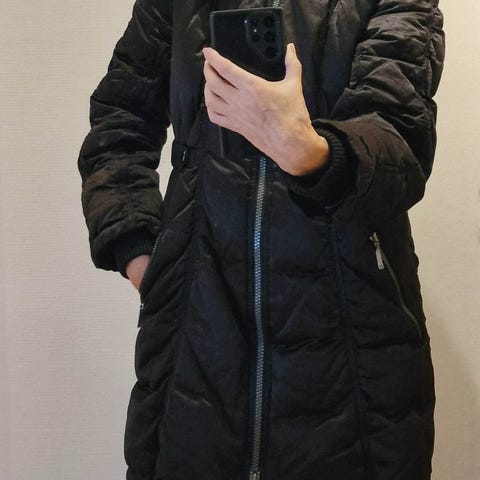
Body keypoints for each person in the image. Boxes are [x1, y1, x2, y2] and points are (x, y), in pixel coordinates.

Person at [77, 0, 446, 479]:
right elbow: (120, 118)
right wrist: (139, 254)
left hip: (356, 351)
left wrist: (310, 152)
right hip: (193, 348)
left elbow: (399, 138)